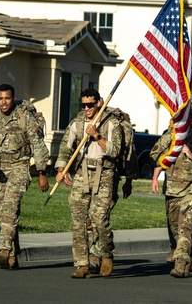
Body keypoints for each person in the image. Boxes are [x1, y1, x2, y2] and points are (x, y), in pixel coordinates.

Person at [0, 84, 51, 270]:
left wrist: (42, 173)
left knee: (9, 207)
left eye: (7, 98)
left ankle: (4, 249)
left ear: (13, 98)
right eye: (0, 99)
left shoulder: (25, 118)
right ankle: (13, 255)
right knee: (3, 214)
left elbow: (38, 146)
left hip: (19, 167)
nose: (4, 102)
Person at [55, 88, 126, 279]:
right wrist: (61, 170)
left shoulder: (111, 123)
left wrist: (96, 135)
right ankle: (82, 264)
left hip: (104, 174)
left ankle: (106, 253)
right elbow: (65, 148)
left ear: (98, 103)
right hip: (81, 173)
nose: (86, 108)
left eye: (90, 105)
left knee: (99, 219)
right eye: (83, 105)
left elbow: (116, 150)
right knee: (78, 222)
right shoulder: (77, 124)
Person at [150, 108, 192, 278]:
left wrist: (191, 154)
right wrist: (167, 153)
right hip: (172, 189)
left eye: (184, 116)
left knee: (186, 225)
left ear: (191, 117)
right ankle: (191, 250)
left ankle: (181, 265)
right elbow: (154, 154)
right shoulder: (170, 134)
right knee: (175, 228)